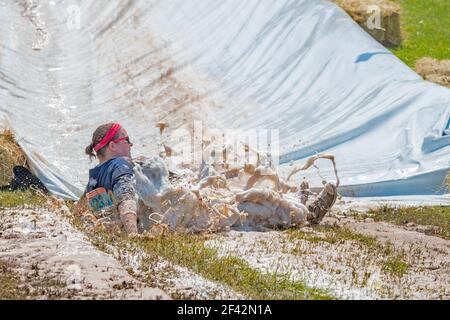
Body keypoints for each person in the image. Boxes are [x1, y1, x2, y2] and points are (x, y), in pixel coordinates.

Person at [83, 122, 139, 235]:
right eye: (126, 140)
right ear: (112, 146)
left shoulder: (93, 178)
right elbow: (126, 197)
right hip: (127, 231)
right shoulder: (120, 164)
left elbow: (79, 210)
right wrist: (133, 234)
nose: (131, 144)